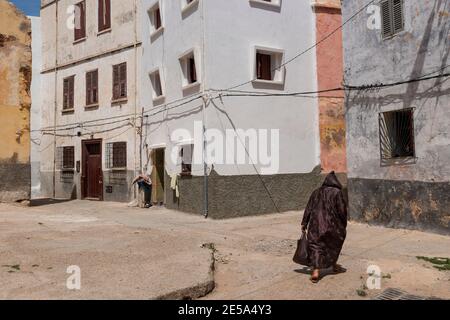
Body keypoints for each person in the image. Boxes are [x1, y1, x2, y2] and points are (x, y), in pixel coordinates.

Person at [301, 171, 348, 283]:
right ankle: (333, 264)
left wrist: (304, 222)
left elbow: (308, 208)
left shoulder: (316, 192)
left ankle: (316, 271)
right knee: (332, 245)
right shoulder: (338, 193)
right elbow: (342, 211)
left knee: (316, 247)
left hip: (315, 226)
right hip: (333, 226)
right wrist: (343, 224)